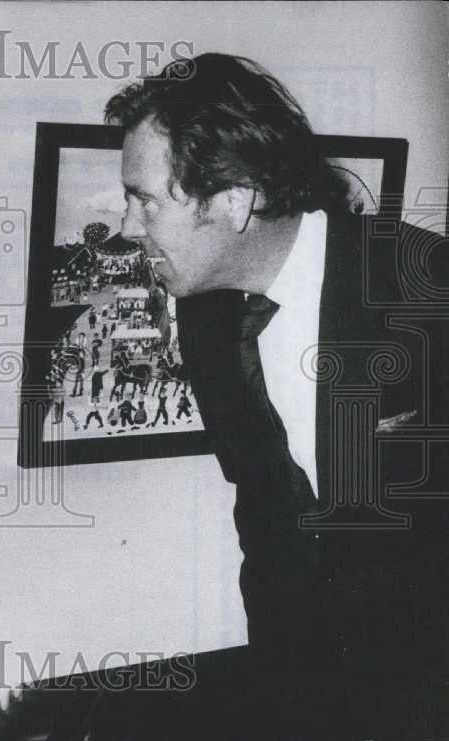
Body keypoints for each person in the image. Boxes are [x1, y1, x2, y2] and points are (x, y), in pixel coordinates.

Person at [95, 51, 448, 736]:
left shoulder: (428, 290)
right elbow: (265, 513)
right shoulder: (204, 317)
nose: (130, 226)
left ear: (233, 199)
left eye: (145, 199)